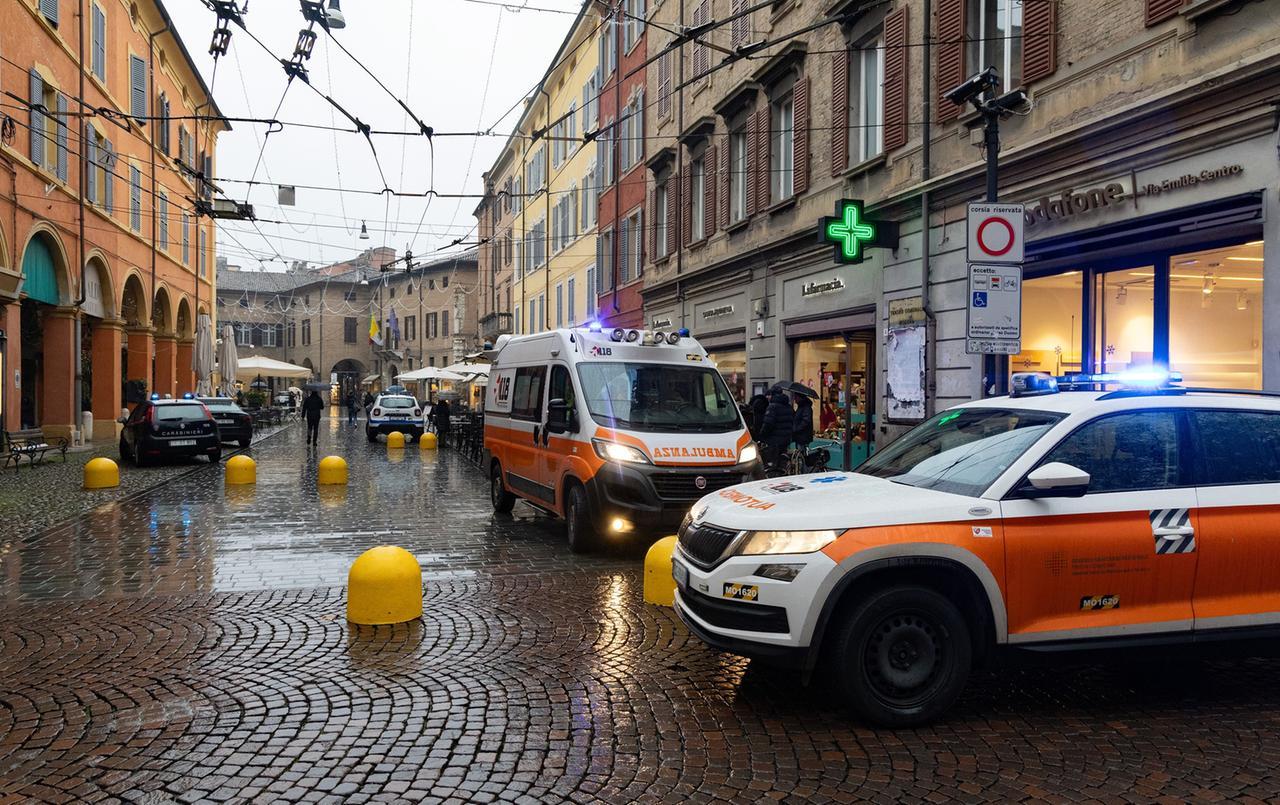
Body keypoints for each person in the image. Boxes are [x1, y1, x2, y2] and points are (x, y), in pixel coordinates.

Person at [758, 385, 794, 471]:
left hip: (774, 441)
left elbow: (768, 424)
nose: (768, 397)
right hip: (786, 440)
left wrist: (762, 436)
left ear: (773, 395)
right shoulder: (788, 406)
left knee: (772, 465)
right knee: (782, 462)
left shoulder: (772, 407)